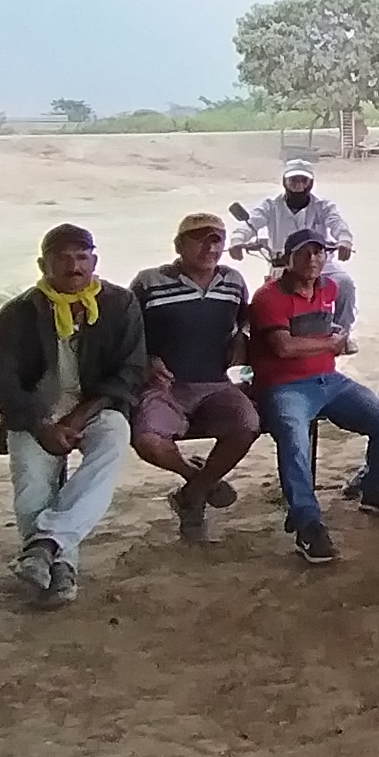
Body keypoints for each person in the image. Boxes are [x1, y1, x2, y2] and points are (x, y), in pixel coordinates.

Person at [0, 224, 145, 606]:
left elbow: (131, 371)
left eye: (81, 257)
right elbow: (1, 385)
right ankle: (60, 570)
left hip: (96, 407)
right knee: (32, 485)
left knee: (113, 441)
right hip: (35, 413)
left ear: (94, 261)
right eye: (63, 258)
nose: (74, 266)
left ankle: (44, 544)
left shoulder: (119, 304)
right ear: (44, 265)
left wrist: (78, 417)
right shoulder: (17, 314)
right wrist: (41, 425)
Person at [250, 235, 379, 564]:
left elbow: (330, 331)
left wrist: (336, 338)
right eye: (304, 253)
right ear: (287, 258)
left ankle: (375, 488)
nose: (312, 259)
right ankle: (307, 523)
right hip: (284, 385)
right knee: (294, 439)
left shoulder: (329, 289)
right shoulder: (269, 297)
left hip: (329, 380)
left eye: (318, 252)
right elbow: (283, 347)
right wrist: (330, 344)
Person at [127, 213, 261, 540]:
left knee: (247, 426)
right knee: (149, 442)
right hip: (165, 386)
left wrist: (241, 338)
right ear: (179, 245)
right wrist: (145, 359)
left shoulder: (232, 281)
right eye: (200, 240)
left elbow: (245, 320)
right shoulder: (149, 282)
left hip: (216, 384)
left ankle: (192, 497)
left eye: (217, 240)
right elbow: (124, 333)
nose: (210, 248)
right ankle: (199, 481)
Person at [240, 160, 357, 342]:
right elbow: (251, 223)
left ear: (311, 183)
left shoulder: (323, 206)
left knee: (345, 284)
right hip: (285, 264)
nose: (298, 184)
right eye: (293, 180)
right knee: (265, 298)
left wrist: (344, 241)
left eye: (303, 180)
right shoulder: (271, 206)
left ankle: (343, 335)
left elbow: (337, 224)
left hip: (319, 264)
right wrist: (238, 240)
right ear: (284, 181)